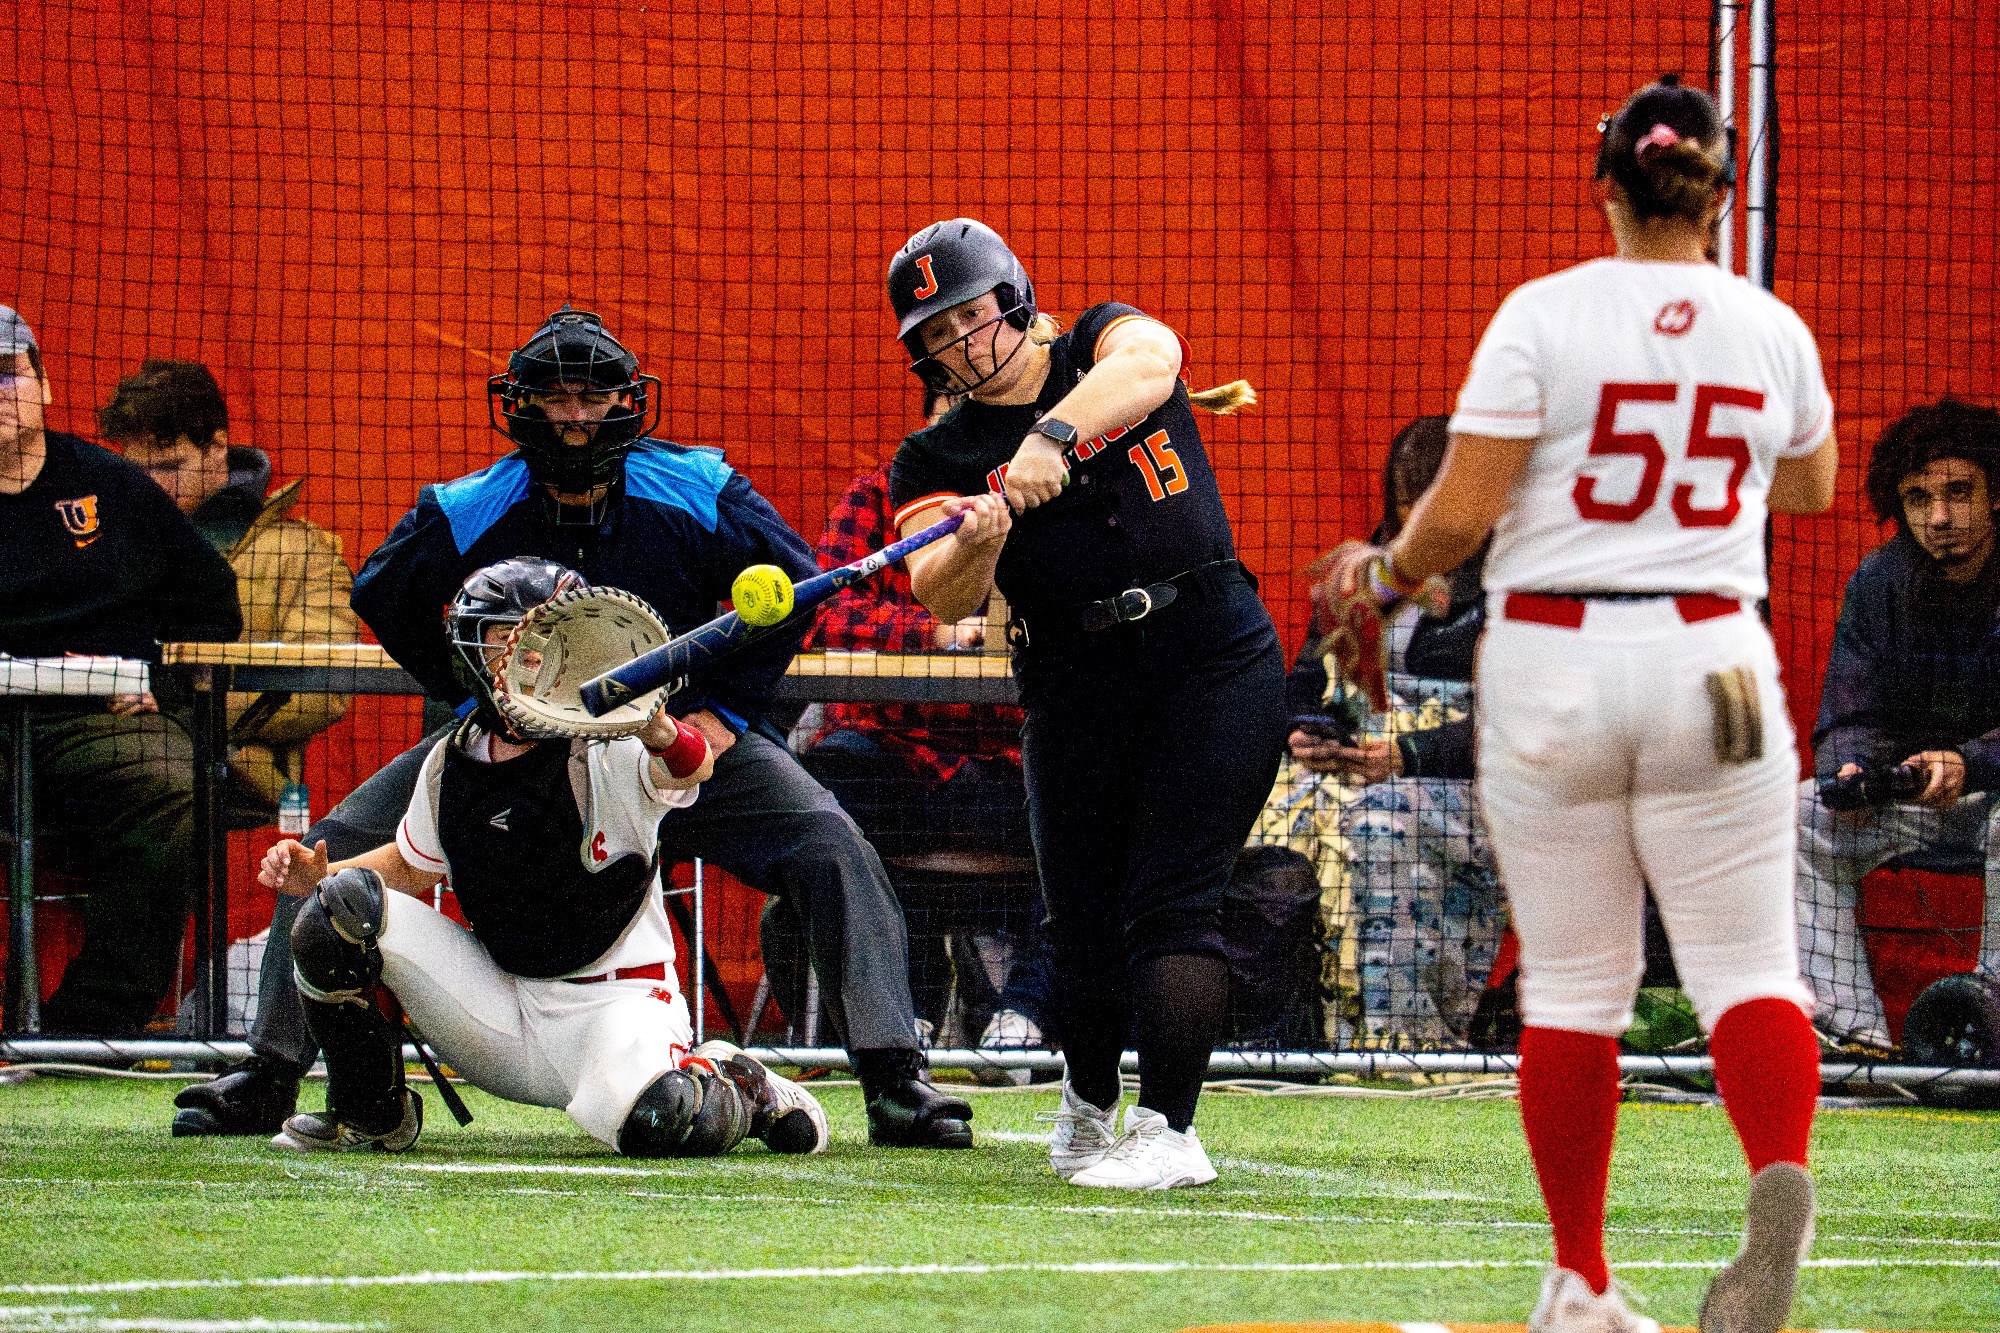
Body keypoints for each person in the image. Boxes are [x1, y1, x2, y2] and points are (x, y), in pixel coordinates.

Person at [173, 306, 970, 1151]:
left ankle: (893, 1080)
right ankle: (268, 1072)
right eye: (555, 397)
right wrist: (479, 700)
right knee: (338, 845)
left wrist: (727, 714)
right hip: (514, 752)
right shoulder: (475, 502)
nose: (576, 416)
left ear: (631, 401)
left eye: (594, 396)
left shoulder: (698, 488)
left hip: (665, 747)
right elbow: (383, 590)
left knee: (828, 844)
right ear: (520, 405)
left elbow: (795, 591)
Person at [1316, 78, 1838, 1333]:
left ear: (1600, 182)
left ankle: (1582, 1281)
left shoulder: (1542, 316)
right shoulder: (1768, 326)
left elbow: (1458, 510)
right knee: (1753, 965)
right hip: (1713, 655)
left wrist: (1381, 578)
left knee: (1573, 989)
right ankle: (1776, 1176)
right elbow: (1811, 487)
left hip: (1553, 657)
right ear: (1721, 191)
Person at [885, 218, 1285, 1188]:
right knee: (1078, 916)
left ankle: (1169, 1130)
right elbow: (938, 589)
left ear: (1013, 301)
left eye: (971, 316)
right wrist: (978, 533)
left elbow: (1158, 358)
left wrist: (1051, 437)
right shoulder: (933, 456)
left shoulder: (1095, 342)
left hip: (1209, 650)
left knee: (1172, 899)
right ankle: (1087, 1099)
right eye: (935, 334)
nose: (960, 344)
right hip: (1070, 676)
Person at [255, 557, 826, 1157]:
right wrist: (324, 875)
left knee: (666, 1123)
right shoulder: (450, 761)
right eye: (504, 641)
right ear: (472, 655)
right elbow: (412, 865)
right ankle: (370, 1114)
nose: (520, 657)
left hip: (616, 1009)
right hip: (497, 1005)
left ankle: (733, 1078)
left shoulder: (609, 743)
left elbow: (691, 765)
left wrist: (656, 727)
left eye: (535, 642)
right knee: (336, 910)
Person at [789, 386, 1054, 1055]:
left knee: (1098, 804)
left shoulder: (1052, 498)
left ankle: (1029, 1012)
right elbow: (824, 614)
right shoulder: (876, 496)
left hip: (1013, 770)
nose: (971, 427)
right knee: (824, 792)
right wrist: (935, 632)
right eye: (956, 411)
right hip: (897, 759)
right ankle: (901, 1007)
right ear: (929, 420)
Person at [0, 307, 243, 1033]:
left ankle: (89, 1026)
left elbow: (213, 608)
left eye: (7, 373)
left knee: (176, 789)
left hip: (93, 718)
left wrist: (156, 685)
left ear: (42, 385)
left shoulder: (115, 487)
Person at [1285, 416, 1504, 1048]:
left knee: (1378, 818)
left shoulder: (1514, 586)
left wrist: (1406, 753)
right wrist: (1308, 728)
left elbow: (1520, 718)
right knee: (1269, 818)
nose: (1412, 525)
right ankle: (1299, 1035)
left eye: (1427, 509)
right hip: (1351, 766)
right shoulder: (1365, 574)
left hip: (1462, 777)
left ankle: (1402, 1038)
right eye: (1403, 508)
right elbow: (1305, 677)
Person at [1796, 398, 2000, 1054]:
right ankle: (1849, 1039)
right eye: (1917, 499)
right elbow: (1849, 713)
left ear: (1996, 493)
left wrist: (1970, 761)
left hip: (1992, 792)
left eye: (1958, 492)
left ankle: (1991, 1020)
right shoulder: (1880, 580)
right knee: (1794, 815)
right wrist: (1853, 768)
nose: (1938, 518)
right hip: (1922, 795)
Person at [98, 359, 357, 820]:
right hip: (100, 743)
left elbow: (324, 689)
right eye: (136, 470)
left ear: (217, 445)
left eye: (169, 466)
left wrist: (179, 698)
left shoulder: (302, 550)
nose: (152, 485)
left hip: (246, 772)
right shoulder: (100, 536)